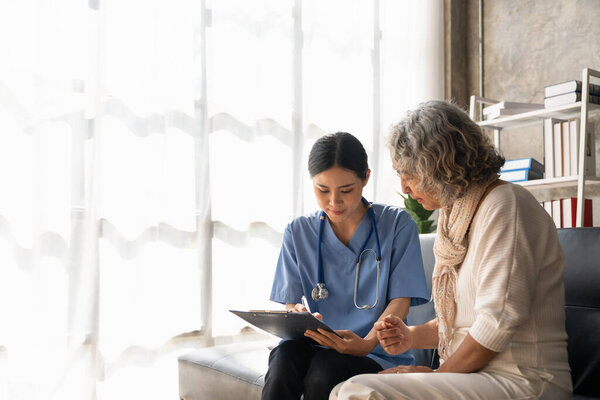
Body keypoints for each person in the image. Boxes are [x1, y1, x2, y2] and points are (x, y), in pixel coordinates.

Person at [330, 101, 572, 400]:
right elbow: (459, 321)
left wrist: (436, 376)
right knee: (345, 388)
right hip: (475, 377)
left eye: (408, 174)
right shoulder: (454, 217)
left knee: (358, 390)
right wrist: (410, 336)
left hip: (523, 381)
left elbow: (496, 323)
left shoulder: (506, 205)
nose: (404, 188)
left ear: (438, 166)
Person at [263, 132, 429, 400]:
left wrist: (366, 344)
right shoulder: (298, 232)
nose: (334, 202)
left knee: (325, 369)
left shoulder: (397, 225)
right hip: (317, 344)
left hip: (374, 351)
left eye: (346, 190)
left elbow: (401, 302)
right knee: (284, 356)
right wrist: (299, 313)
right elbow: (290, 303)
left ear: (365, 178)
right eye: (322, 190)